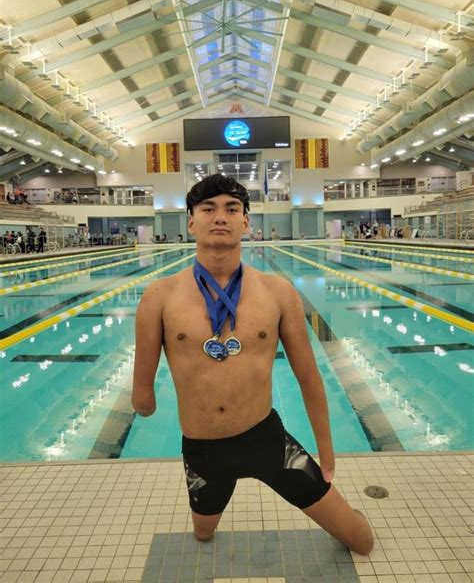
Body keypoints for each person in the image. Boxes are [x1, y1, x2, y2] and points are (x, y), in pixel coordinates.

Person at [132, 174, 373, 555]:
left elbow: (309, 376)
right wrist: (144, 397)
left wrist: (326, 453)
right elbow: (141, 399)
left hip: (268, 442)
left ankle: (346, 513)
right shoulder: (159, 296)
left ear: (246, 222)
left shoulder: (278, 292)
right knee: (203, 535)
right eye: (208, 208)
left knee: (362, 541)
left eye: (232, 209)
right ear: (191, 221)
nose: (220, 217)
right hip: (202, 450)